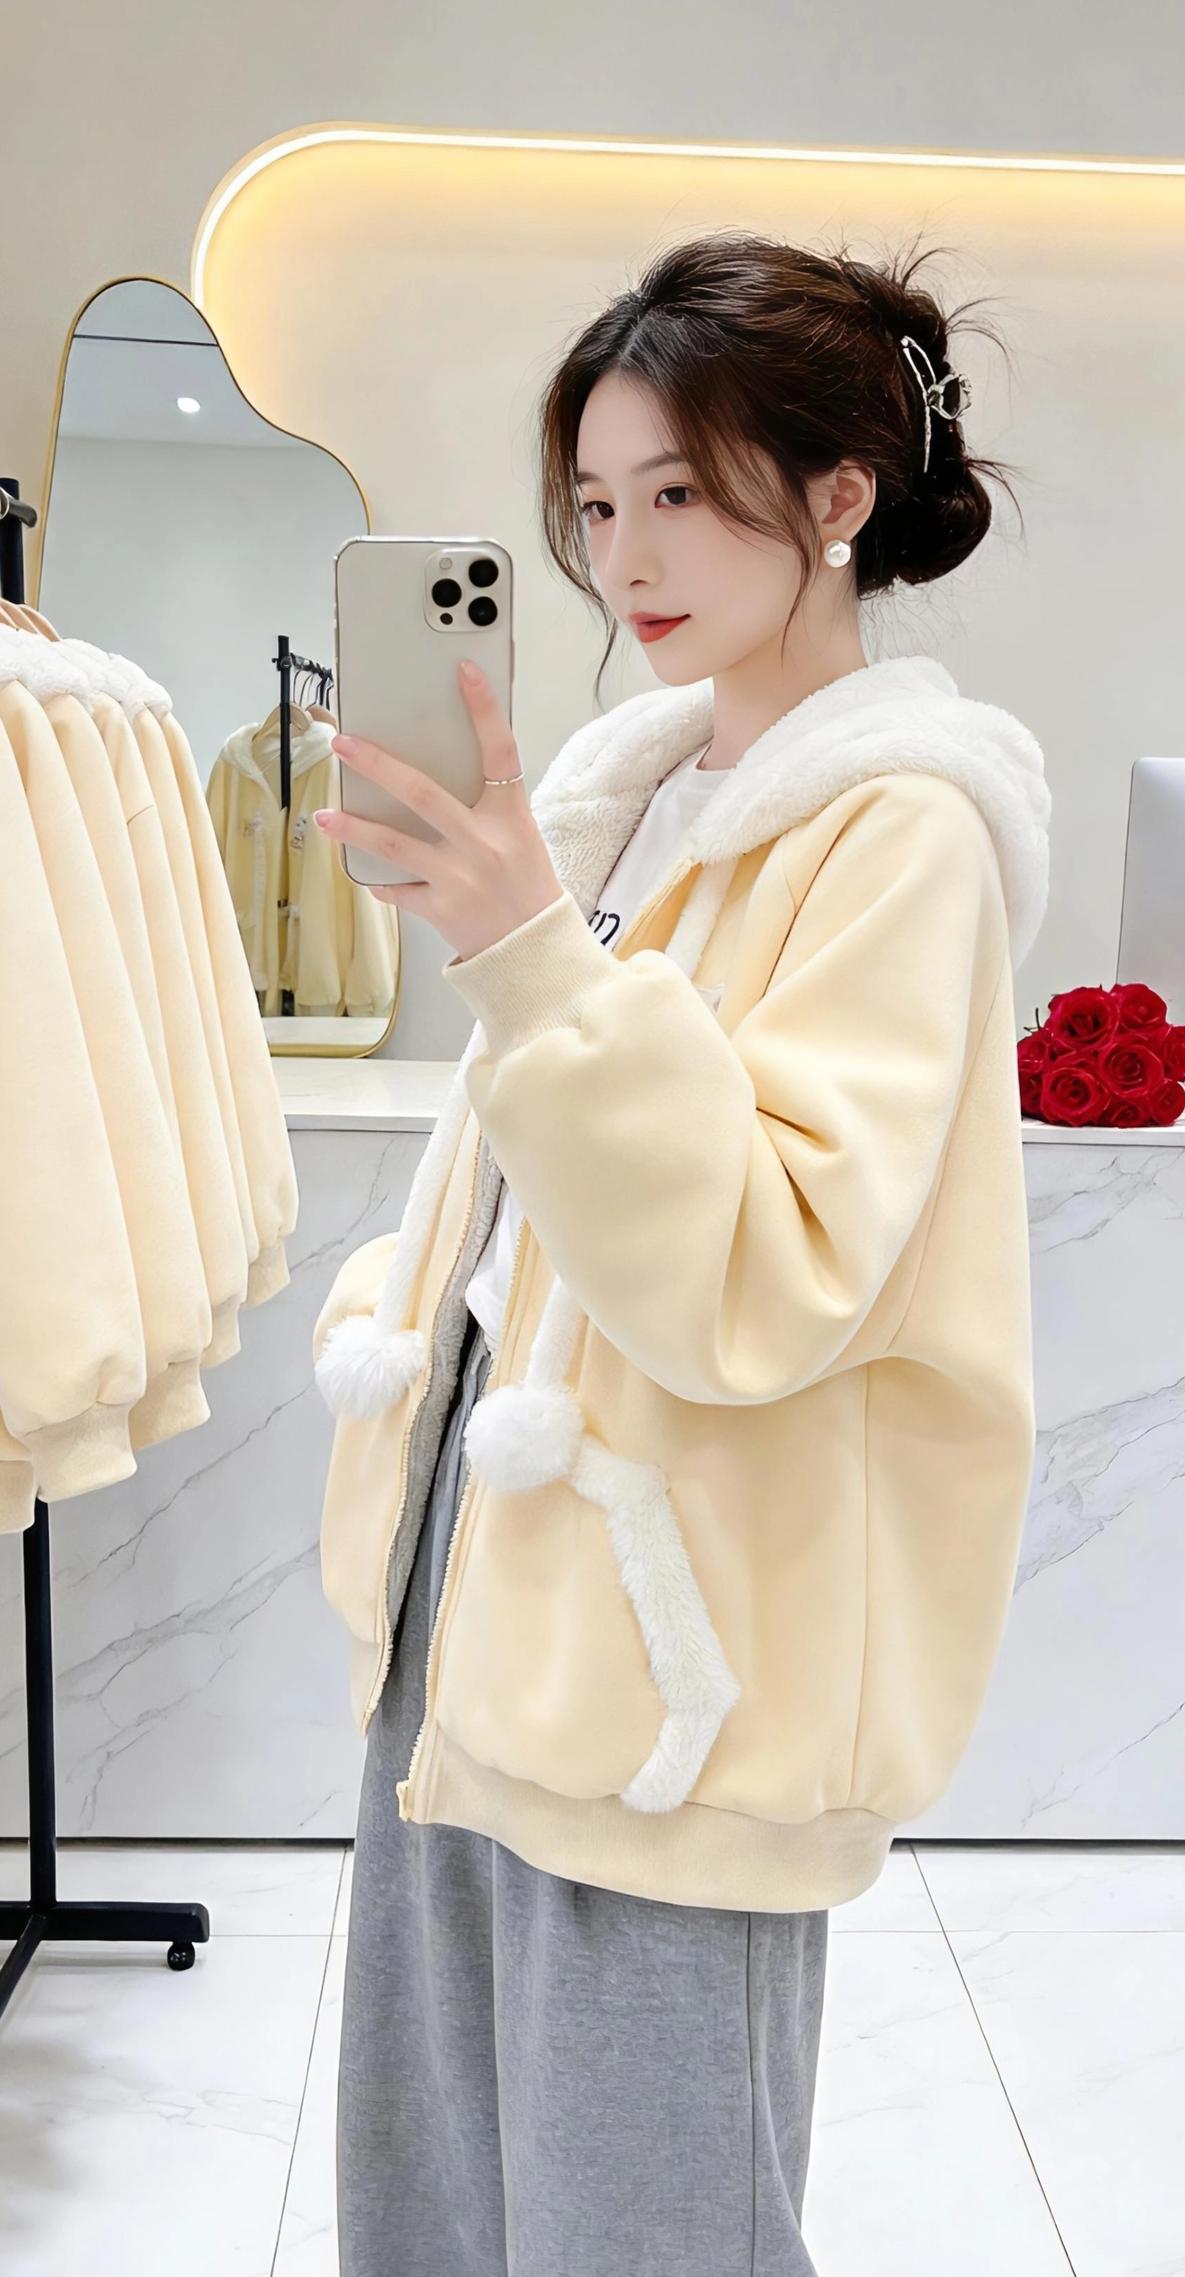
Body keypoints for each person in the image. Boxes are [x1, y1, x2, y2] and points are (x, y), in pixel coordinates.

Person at [311, 225, 1051, 2276]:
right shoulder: (624, 795)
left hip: (684, 1628)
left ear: (838, 497)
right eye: (594, 504)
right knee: (435, 2182)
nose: (624, 557)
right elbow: (522, 1172)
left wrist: (526, 949)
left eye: (680, 496)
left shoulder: (899, 830)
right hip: (484, 1553)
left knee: (640, 2218)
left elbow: (779, 1259)